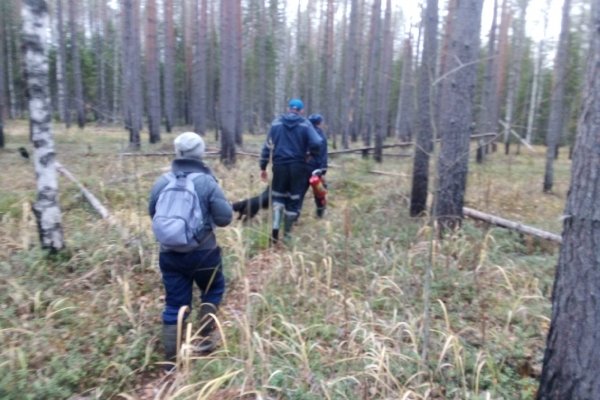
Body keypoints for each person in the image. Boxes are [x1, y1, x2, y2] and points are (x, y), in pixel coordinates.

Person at [148, 132, 233, 366]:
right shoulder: (206, 182)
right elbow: (225, 218)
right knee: (213, 289)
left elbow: (153, 214)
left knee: (175, 304)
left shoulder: (162, 182)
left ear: (178, 152)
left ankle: (172, 360)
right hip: (204, 253)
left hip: (169, 255)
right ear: (201, 153)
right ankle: (205, 339)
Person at [259, 98, 323, 243]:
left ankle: (275, 229)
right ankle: (287, 236)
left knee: (278, 196)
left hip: (279, 165)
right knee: (293, 200)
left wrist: (263, 166)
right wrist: (311, 154)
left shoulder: (276, 123)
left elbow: (267, 146)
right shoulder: (305, 124)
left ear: (289, 109)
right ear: (301, 111)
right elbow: (317, 142)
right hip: (298, 167)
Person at [303, 114, 328, 218]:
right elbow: (323, 154)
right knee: (319, 193)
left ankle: (294, 214)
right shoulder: (320, 135)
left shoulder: (304, 133)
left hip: (303, 168)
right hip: (316, 169)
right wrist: (323, 169)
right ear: (318, 123)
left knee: (300, 191)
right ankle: (320, 213)